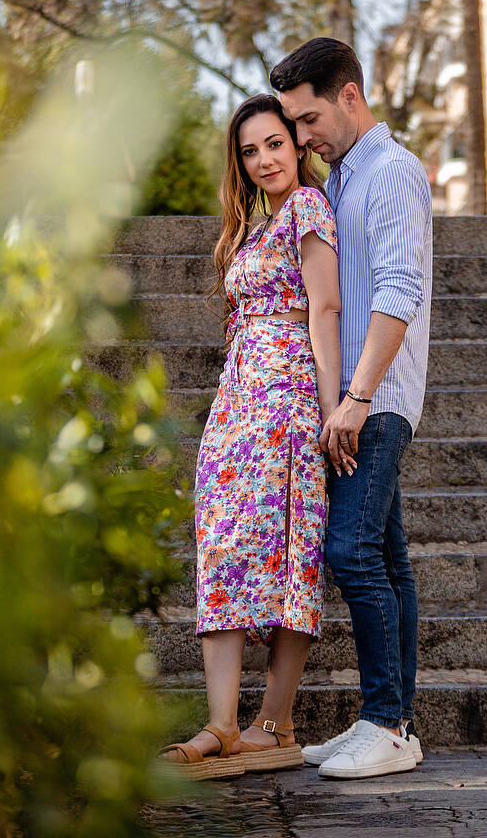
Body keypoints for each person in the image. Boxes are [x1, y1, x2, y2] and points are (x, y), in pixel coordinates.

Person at [156, 94, 346, 780]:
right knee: (223, 549)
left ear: (297, 147)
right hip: (236, 407)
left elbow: (324, 307)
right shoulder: (245, 231)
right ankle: (222, 723)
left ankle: (274, 720)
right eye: (250, 150)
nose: (264, 158)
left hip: (290, 400)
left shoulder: (308, 210)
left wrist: (334, 410)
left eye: (274, 143)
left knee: (291, 549)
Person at [271, 37, 432, 780]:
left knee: (351, 553)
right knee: (389, 561)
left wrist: (358, 398)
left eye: (308, 120)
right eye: (292, 126)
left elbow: (400, 291)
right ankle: (393, 720)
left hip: (378, 401)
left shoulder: (392, 173)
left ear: (351, 95)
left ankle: (386, 722)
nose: (303, 139)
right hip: (353, 402)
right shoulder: (340, 183)